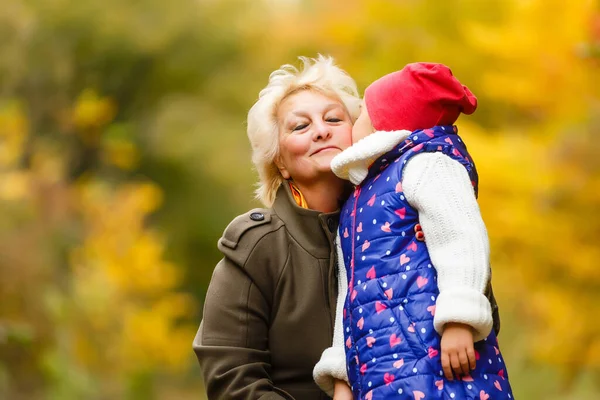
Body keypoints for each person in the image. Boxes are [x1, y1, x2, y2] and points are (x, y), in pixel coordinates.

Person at [313, 63, 513, 399]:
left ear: (384, 123)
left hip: (438, 360)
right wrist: (342, 375)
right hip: (381, 372)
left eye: (363, 111)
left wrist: (460, 318)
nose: (356, 119)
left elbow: (461, 238)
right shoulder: (359, 199)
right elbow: (351, 293)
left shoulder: (426, 165)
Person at [192, 55, 361, 399]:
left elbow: (474, 316)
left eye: (333, 118)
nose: (321, 130)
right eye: (300, 126)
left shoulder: (399, 224)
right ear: (280, 162)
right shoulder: (257, 247)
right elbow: (231, 380)